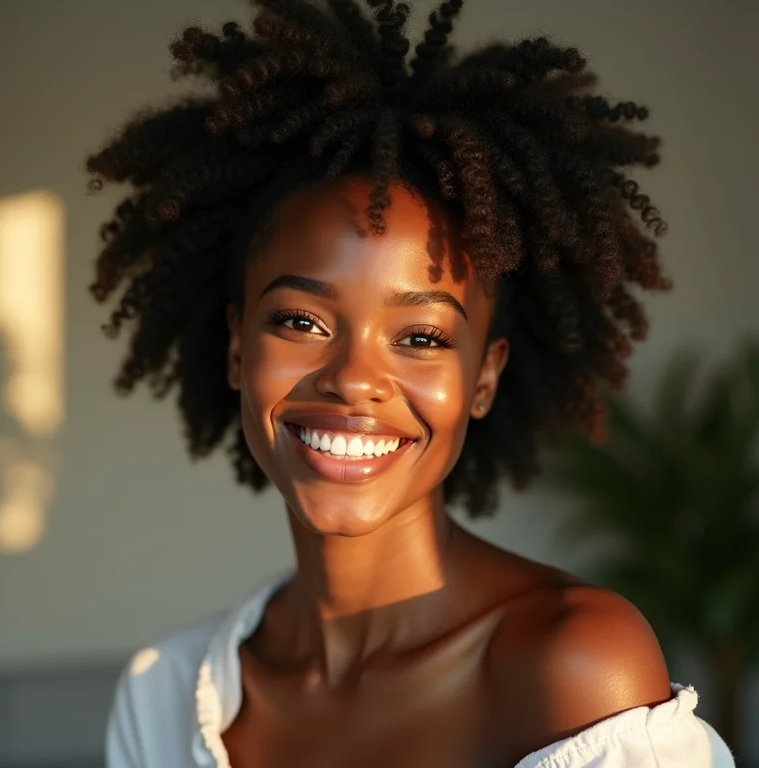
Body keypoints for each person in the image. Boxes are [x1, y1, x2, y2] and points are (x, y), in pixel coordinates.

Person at [86, 1, 736, 765]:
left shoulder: (576, 671)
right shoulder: (163, 696)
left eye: (421, 337)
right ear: (237, 349)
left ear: (484, 379)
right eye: (300, 322)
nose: (355, 379)